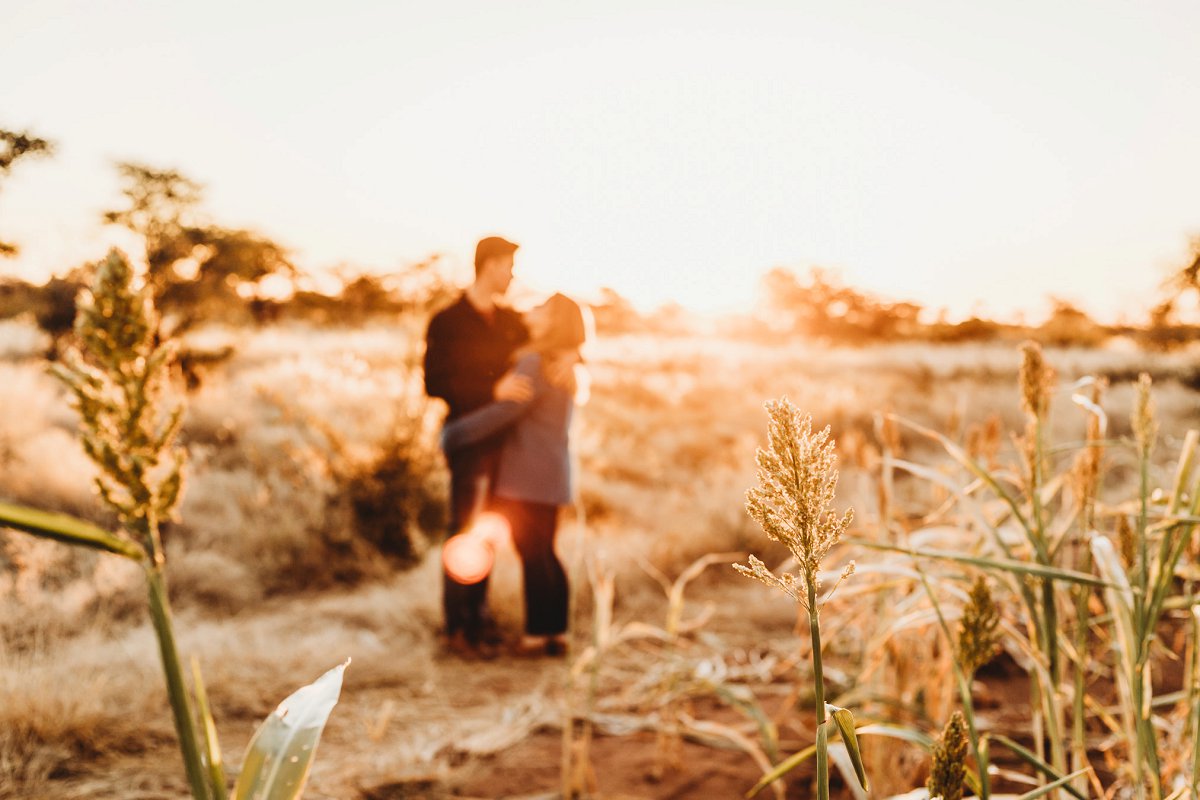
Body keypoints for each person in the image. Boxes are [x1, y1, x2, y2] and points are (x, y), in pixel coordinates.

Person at [439, 293, 588, 656]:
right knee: (546, 553)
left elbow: (503, 412)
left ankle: (538, 636)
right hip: (554, 471)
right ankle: (556, 633)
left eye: (541, 308)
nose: (531, 311)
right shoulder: (564, 365)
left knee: (532, 553)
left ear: (553, 321)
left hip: (525, 474)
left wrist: (454, 433)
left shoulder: (536, 363)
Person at [424, 235, 532, 655]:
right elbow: (435, 383)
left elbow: (540, 349)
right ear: (488, 265)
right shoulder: (447, 321)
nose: (513, 274)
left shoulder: (511, 322)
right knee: (462, 530)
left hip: (508, 444)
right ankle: (457, 629)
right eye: (508, 265)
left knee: (490, 532)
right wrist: (494, 389)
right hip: (468, 443)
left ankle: (480, 619)